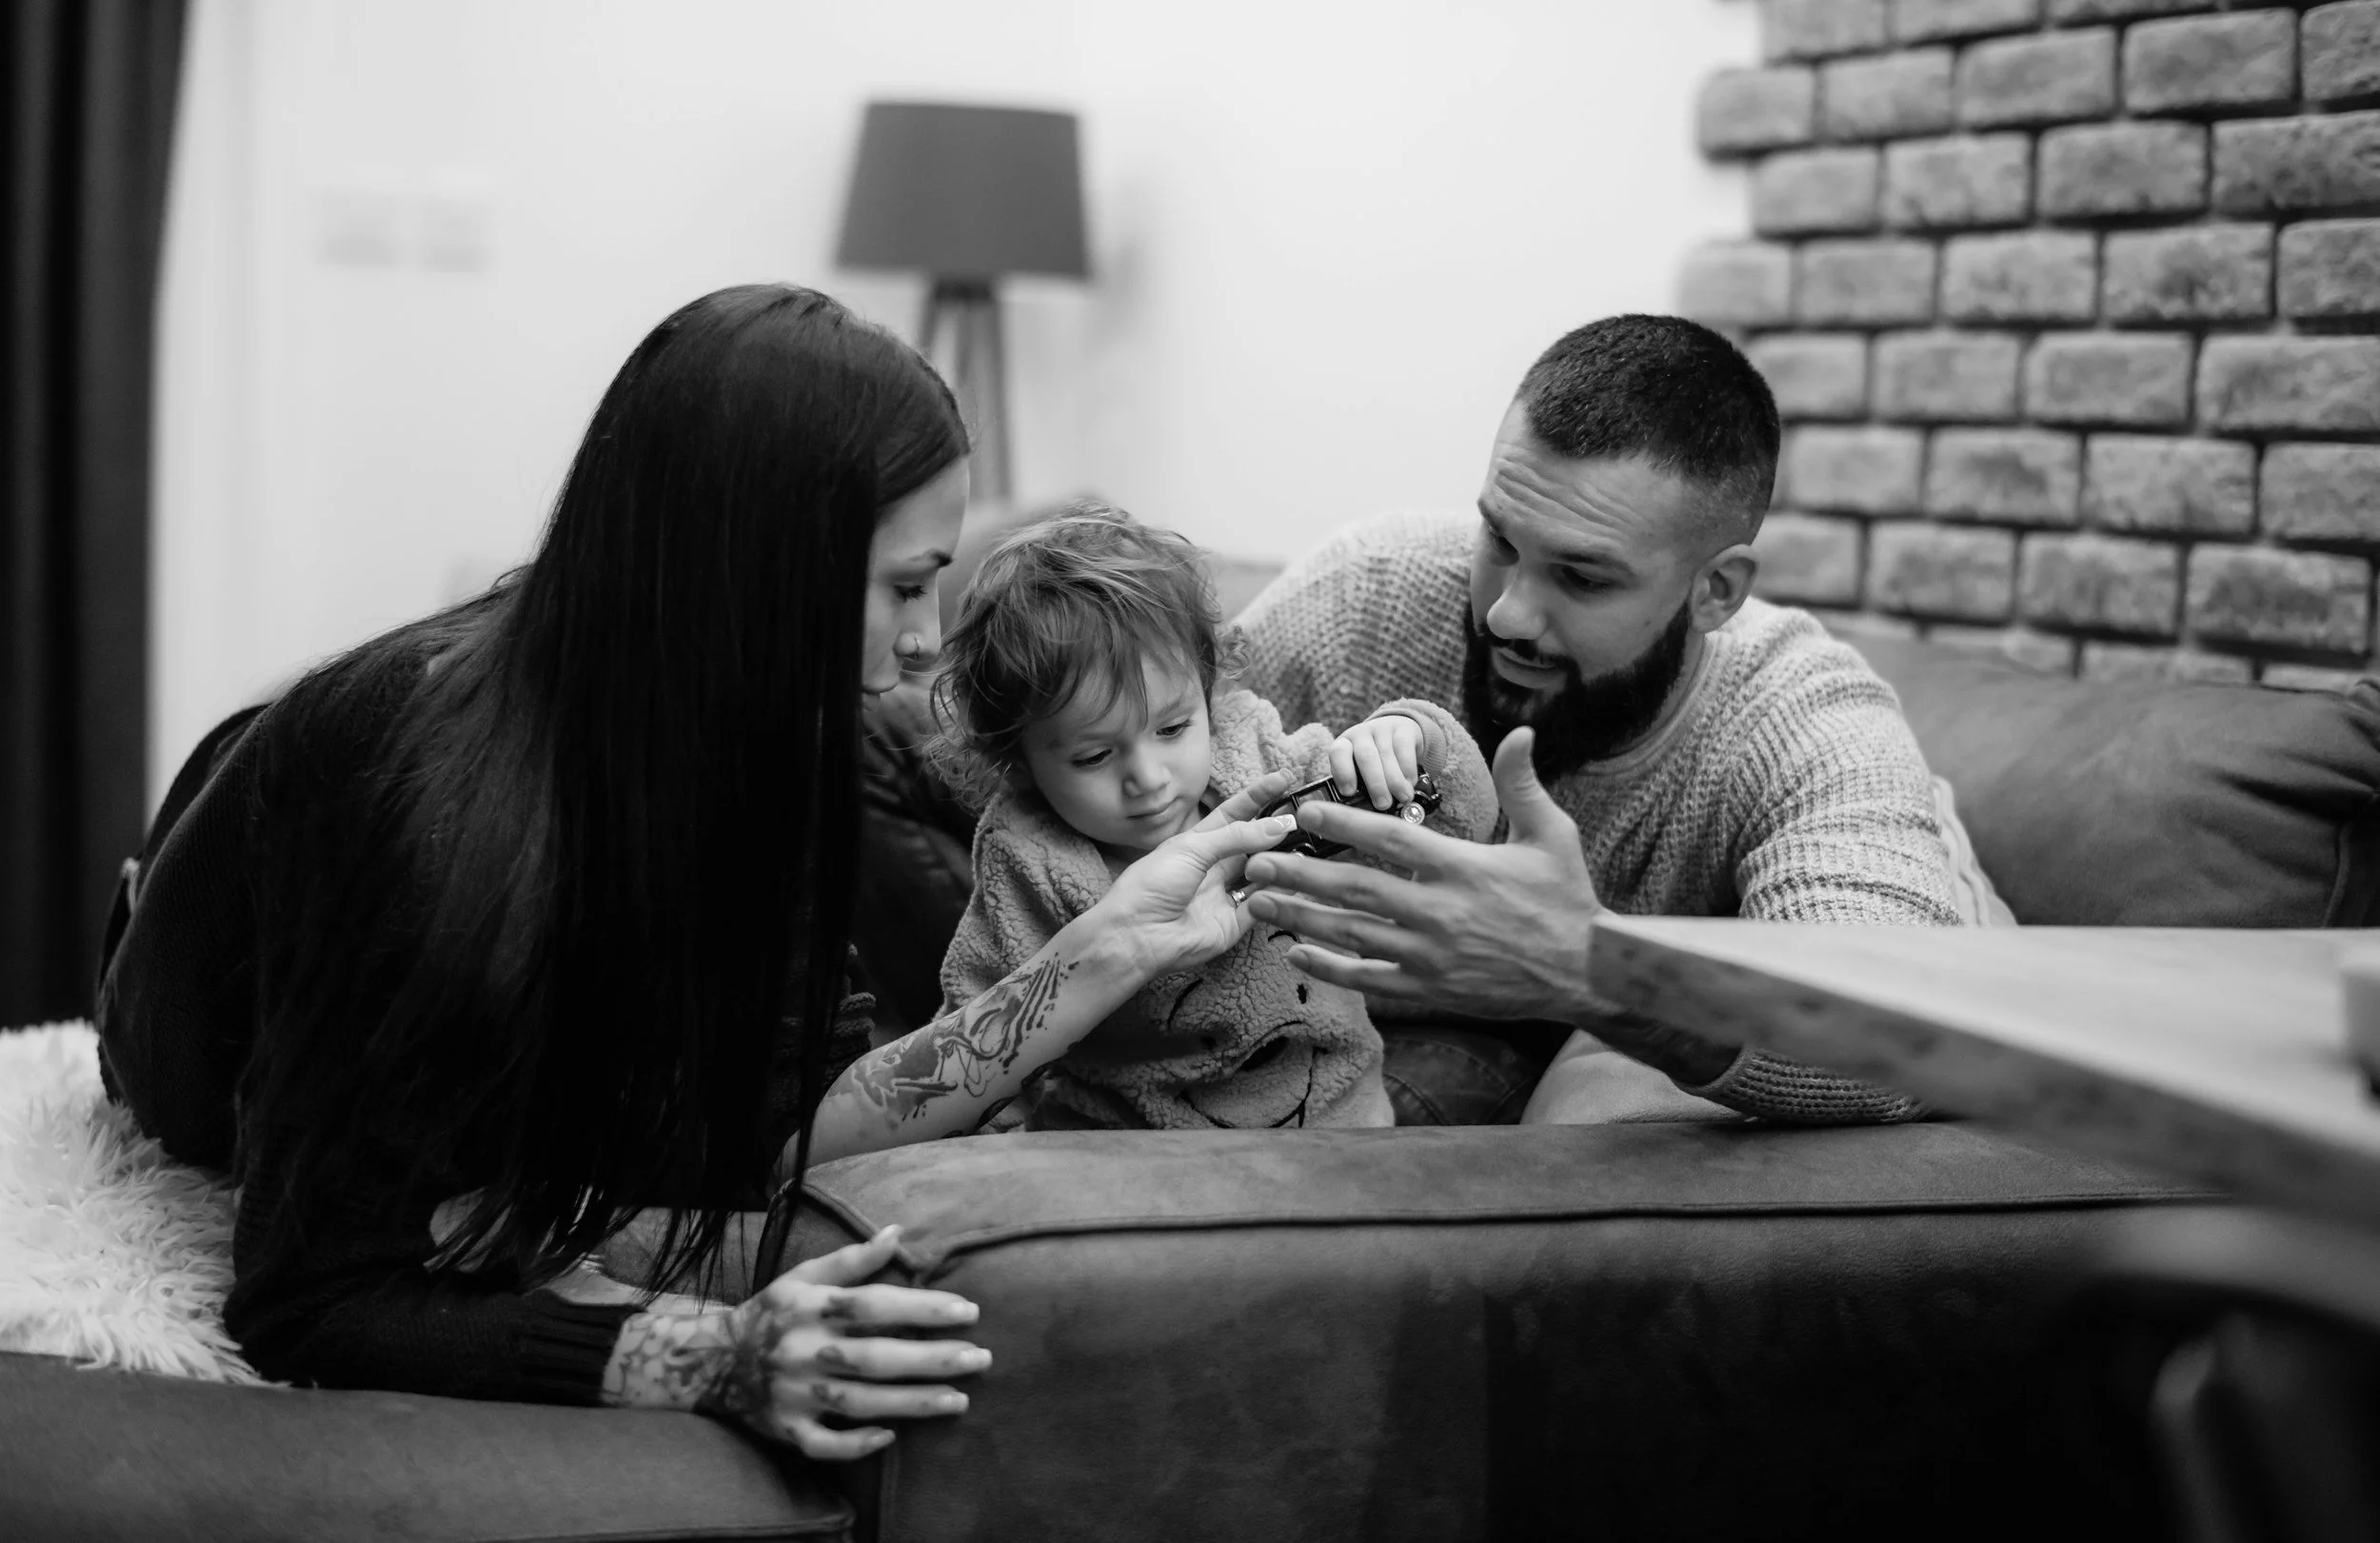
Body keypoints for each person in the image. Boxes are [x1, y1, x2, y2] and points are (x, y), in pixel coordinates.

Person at [93, 284, 1300, 1460]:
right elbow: (313, 1295)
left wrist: (1095, 958)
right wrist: (712, 1355)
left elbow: (795, 1130)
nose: (929, 638)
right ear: (757, 568)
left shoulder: (764, 743)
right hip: (196, 1006)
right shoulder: (403, 778)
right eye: (905, 584)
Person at [1233, 314, 2009, 1127]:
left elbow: (1899, 1034)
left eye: (1582, 577)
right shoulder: (1367, 600)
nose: (1506, 614)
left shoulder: (1803, 717)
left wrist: (1588, 968)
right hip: (1459, 1043)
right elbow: (1145, 763)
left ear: (1716, 592)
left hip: (1751, 1033)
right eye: (1499, 538)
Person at [927, 504, 1496, 1131]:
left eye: (1173, 727)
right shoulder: (1028, 858)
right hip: (1134, 1169)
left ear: (1207, 694)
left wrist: (1416, 740)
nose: (1148, 776)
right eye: (1094, 754)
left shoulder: (1265, 763)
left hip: (1343, 1139)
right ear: (1021, 762)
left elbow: (1459, 832)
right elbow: (977, 1037)